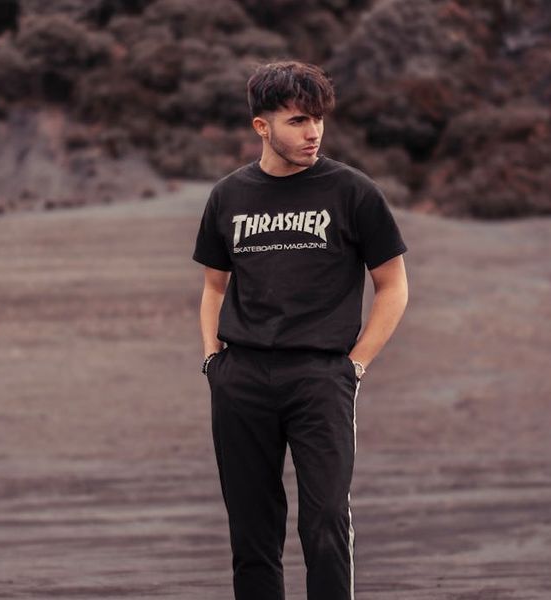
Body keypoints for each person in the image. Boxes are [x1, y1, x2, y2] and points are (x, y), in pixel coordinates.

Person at [192, 60, 409, 600]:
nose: (313, 133)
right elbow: (214, 288)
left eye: (318, 120)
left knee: (327, 522)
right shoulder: (228, 197)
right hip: (241, 380)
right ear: (261, 127)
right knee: (252, 533)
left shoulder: (353, 192)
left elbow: (394, 286)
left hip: (320, 377)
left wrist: (353, 366)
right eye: (297, 121)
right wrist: (213, 363)